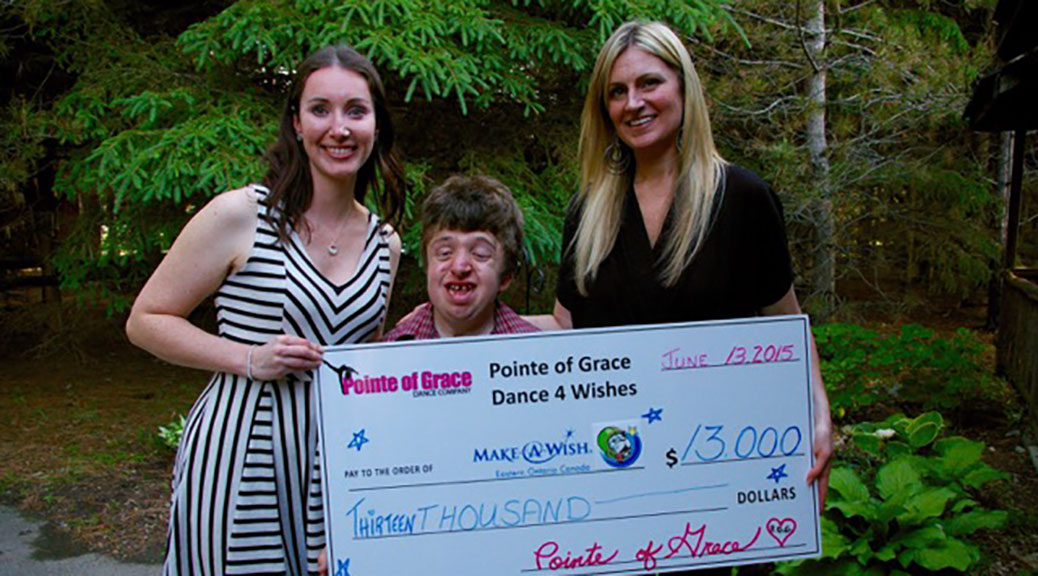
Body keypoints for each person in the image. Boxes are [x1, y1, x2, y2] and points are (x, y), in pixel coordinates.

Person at [125, 44, 406, 576]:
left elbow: (363, 363)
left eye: (356, 111)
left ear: (376, 125)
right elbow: (146, 320)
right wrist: (249, 357)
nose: (338, 128)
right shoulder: (241, 215)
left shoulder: (384, 244)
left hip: (335, 466)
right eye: (320, 109)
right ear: (297, 123)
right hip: (238, 458)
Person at [535, 21, 833, 503]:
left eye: (649, 82)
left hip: (718, 468)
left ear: (683, 86)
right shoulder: (587, 211)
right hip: (615, 471)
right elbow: (565, 326)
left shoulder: (742, 198)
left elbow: (786, 326)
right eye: (617, 92)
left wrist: (818, 415)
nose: (633, 103)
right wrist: (460, 330)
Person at [383, 175, 538, 340]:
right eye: (445, 252)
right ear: (428, 265)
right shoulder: (390, 354)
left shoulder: (538, 355)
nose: (459, 267)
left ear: (506, 276)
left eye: (480, 254)